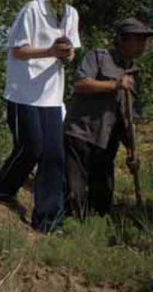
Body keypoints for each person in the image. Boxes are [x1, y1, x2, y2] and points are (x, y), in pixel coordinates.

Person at [0, 0, 91, 233]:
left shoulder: (71, 14)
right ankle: (4, 185)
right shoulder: (33, 10)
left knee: (54, 156)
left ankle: (48, 220)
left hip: (50, 95)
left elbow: (70, 54)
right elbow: (18, 51)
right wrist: (50, 51)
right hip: (22, 92)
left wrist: (67, 53)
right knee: (31, 147)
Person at [64, 18, 153, 219]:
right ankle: (70, 229)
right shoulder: (99, 57)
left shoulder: (134, 75)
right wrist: (115, 85)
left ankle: (96, 229)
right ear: (122, 40)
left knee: (102, 198)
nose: (142, 44)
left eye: (144, 39)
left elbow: (127, 119)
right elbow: (80, 84)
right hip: (81, 132)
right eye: (137, 39)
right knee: (74, 193)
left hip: (107, 140)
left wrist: (132, 149)